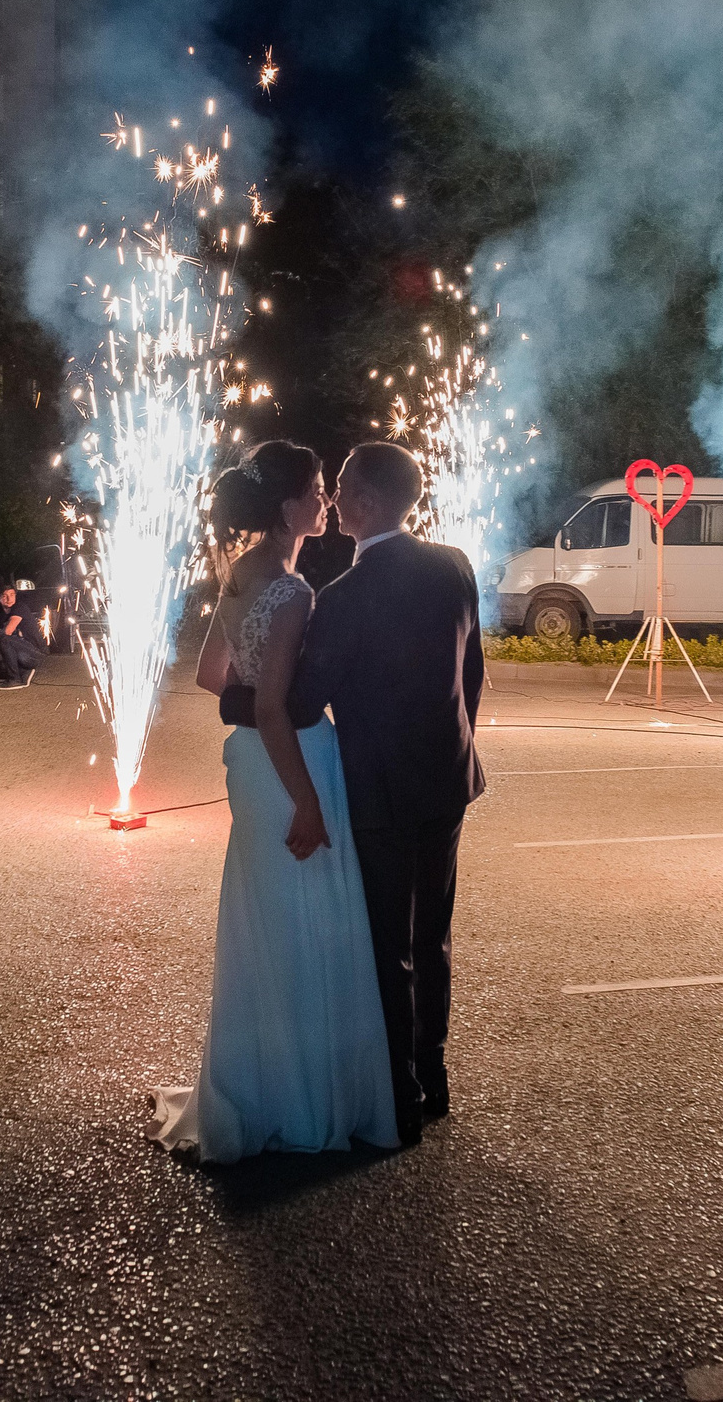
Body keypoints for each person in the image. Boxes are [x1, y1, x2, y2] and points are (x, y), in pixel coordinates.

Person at [148, 442, 399, 1161]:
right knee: (307, 923)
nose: (325, 500)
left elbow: (210, 676)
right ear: (290, 507)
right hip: (289, 764)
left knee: (268, 918)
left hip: (250, 769)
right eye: (318, 489)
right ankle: (303, 1097)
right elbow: (271, 710)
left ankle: (257, 1080)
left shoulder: (239, 574)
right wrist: (309, 802)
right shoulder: (292, 592)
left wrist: (252, 709)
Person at [294, 441, 486, 1147]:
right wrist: (455, 742)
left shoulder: (341, 599)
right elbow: (472, 674)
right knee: (432, 936)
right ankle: (433, 1077)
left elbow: (308, 699)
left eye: (342, 485)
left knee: (388, 944)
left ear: (368, 500)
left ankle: (400, 1094)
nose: (335, 495)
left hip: (379, 786)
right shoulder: (454, 566)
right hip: (449, 776)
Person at [0, 585, 40, 689]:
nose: (9, 599)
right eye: (5, 596)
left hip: (34, 652)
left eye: (12, 595)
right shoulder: (0, 613)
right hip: (20, 650)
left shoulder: (19, 608)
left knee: (3, 641)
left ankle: (15, 679)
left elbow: (7, 631)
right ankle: (23, 672)